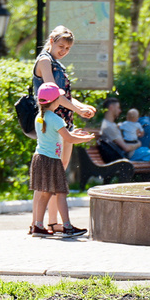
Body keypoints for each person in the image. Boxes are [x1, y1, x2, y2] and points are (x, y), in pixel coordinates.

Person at [33, 25, 96, 229]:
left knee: (58, 174)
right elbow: (53, 94)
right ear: (51, 41)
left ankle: (53, 223)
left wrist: (81, 107)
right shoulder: (45, 61)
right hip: (51, 122)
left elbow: (64, 96)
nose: (64, 51)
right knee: (48, 176)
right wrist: (77, 110)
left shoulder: (58, 64)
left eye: (68, 48)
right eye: (61, 46)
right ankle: (37, 224)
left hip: (63, 121)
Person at [29, 83, 94, 237]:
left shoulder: (40, 117)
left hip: (39, 158)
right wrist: (86, 139)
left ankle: (38, 226)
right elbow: (69, 138)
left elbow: (57, 135)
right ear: (56, 100)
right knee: (61, 193)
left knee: (45, 193)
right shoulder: (56, 119)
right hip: (51, 161)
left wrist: (74, 134)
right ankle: (67, 227)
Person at [101, 97, 150, 167]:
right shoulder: (108, 127)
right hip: (133, 153)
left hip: (139, 151)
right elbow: (126, 148)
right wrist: (138, 144)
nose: (120, 111)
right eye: (118, 108)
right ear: (111, 107)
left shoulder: (112, 125)